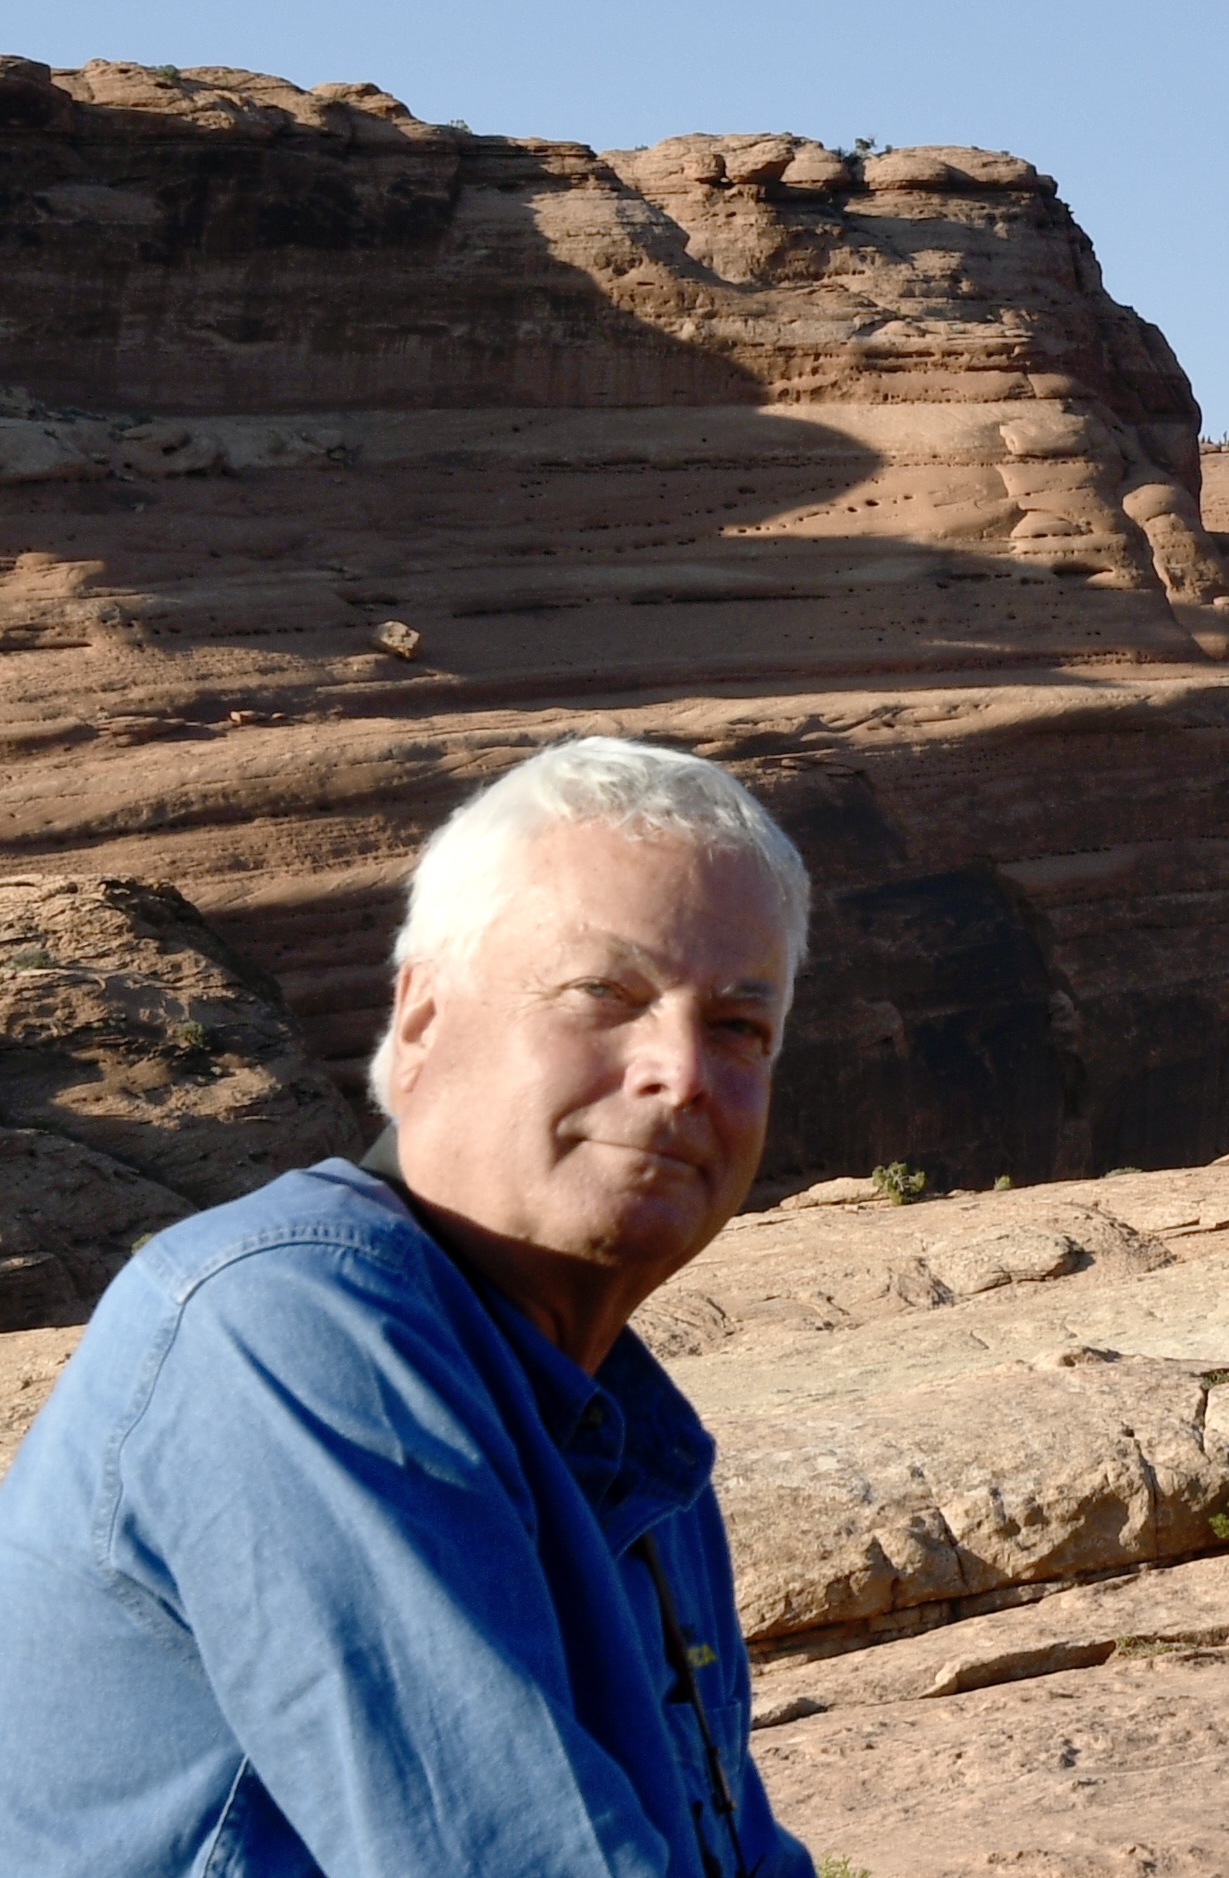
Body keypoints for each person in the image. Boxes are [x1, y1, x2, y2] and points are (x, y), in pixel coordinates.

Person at [0, 737, 819, 1876]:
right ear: (423, 1020)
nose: (680, 1070)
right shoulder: (288, 1328)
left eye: (739, 1025)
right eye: (605, 992)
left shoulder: (627, 1433)